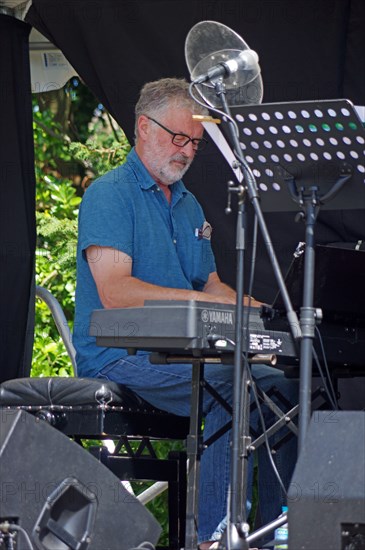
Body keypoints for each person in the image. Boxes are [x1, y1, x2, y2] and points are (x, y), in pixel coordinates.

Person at [73, 77, 298, 548]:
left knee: (281, 389)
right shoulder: (110, 194)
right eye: (178, 137)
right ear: (142, 127)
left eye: (195, 142)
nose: (187, 150)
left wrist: (259, 311)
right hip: (121, 356)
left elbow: (210, 285)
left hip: (182, 351)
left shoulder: (191, 205)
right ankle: (213, 537)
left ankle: (279, 533)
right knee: (231, 382)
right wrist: (206, 302)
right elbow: (115, 292)